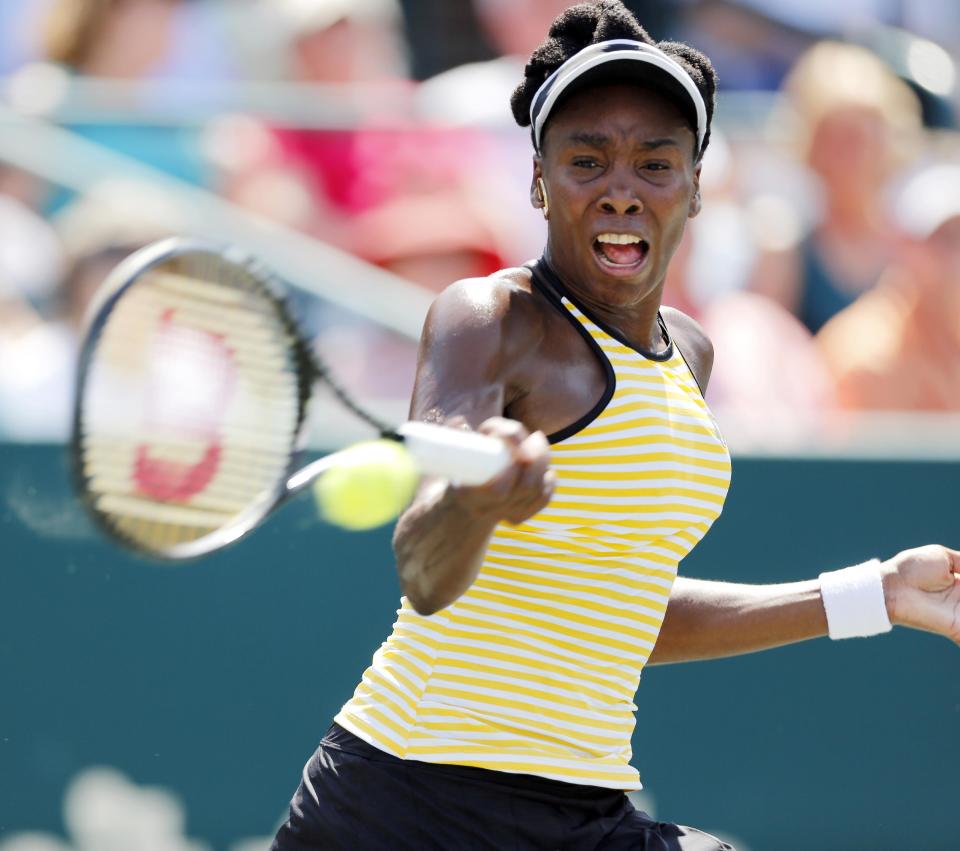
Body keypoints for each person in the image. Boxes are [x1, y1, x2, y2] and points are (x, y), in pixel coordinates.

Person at [271, 3, 960, 849]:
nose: (622, 189)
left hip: (582, 808)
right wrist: (476, 502)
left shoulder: (692, 358)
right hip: (405, 804)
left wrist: (874, 594)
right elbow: (423, 567)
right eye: (586, 160)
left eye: (656, 162)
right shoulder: (489, 316)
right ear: (538, 180)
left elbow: (619, 608)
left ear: (697, 187)